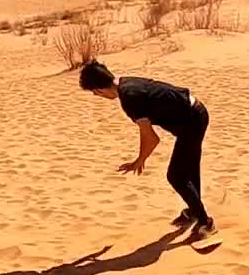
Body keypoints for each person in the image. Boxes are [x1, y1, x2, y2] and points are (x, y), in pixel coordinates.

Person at [78, 60, 216, 241]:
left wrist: (139, 160)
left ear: (98, 90)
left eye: (95, 93)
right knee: (188, 169)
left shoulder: (129, 98)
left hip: (192, 120)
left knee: (176, 176)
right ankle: (195, 211)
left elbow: (151, 138)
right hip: (194, 114)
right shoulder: (126, 83)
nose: (97, 96)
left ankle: (205, 223)